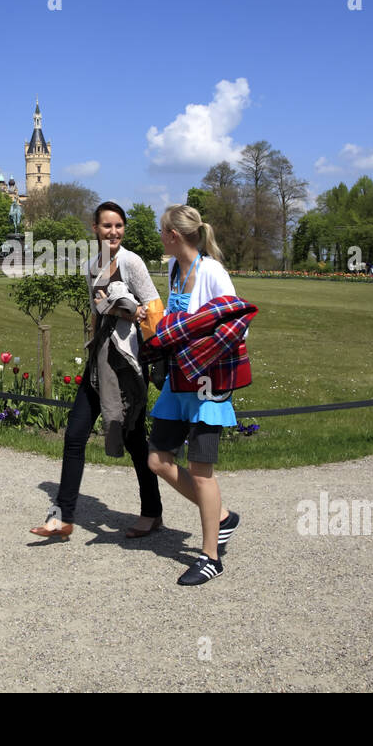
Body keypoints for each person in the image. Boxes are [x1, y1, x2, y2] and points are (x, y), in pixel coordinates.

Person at [30, 201, 165, 541]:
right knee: (75, 435)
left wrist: (131, 315)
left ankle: (152, 512)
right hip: (99, 362)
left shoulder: (131, 262)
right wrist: (92, 343)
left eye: (119, 225)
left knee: (134, 439)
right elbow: (95, 311)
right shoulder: (92, 266)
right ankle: (63, 517)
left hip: (127, 365)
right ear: (95, 228)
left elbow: (154, 308)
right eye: (107, 226)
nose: (114, 232)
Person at [146, 205, 251, 586]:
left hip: (208, 385)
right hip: (179, 381)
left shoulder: (211, 271)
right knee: (157, 459)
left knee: (203, 472)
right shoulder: (175, 269)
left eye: (162, 231)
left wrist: (195, 343)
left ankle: (210, 557)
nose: (160, 236)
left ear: (175, 235)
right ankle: (221, 517)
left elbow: (238, 324)